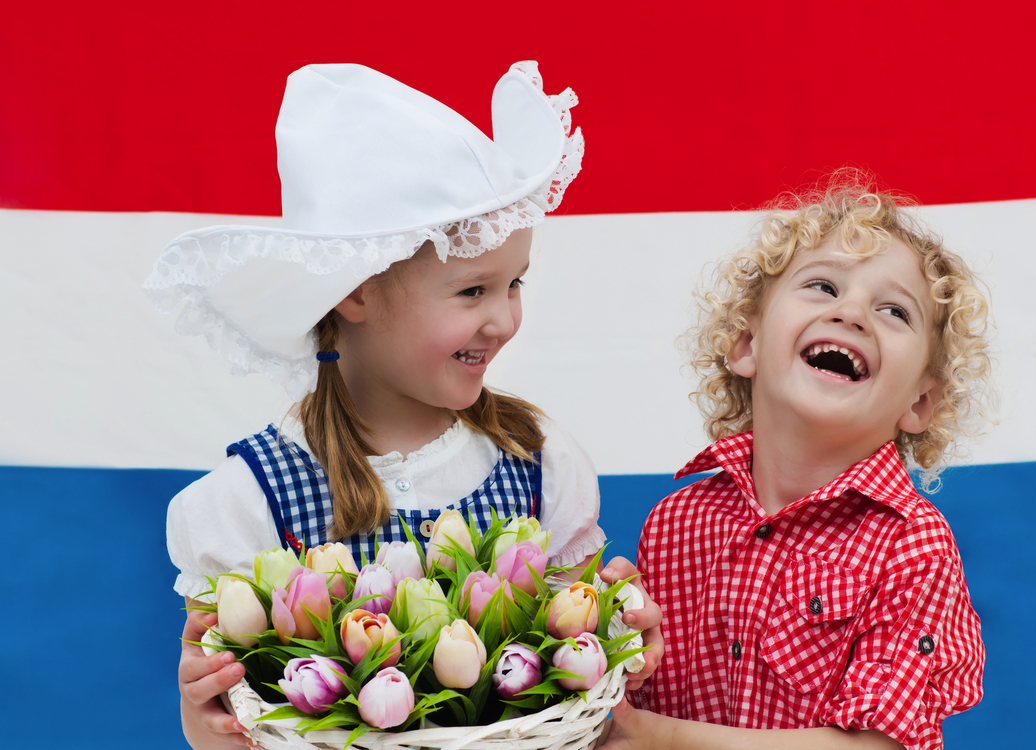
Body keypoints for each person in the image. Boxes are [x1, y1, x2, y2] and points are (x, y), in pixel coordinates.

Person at [148, 61, 661, 750]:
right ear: (355, 294)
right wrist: (204, 720)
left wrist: (616, 637)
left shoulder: (536, 460)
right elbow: (232, 712)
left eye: (514, 284)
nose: (504, 319)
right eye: (472, 291)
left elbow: (578, 694)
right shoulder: (248, 501)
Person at [601, 176, 990, 750]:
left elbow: (877, 746)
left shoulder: (913, 547)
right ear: (746, 345)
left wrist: (654, 737)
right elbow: (639, 701)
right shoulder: (676, 524)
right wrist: (619, 653)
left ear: (920, 402)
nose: (852, 313)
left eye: (894, 311)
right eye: (823, 286)